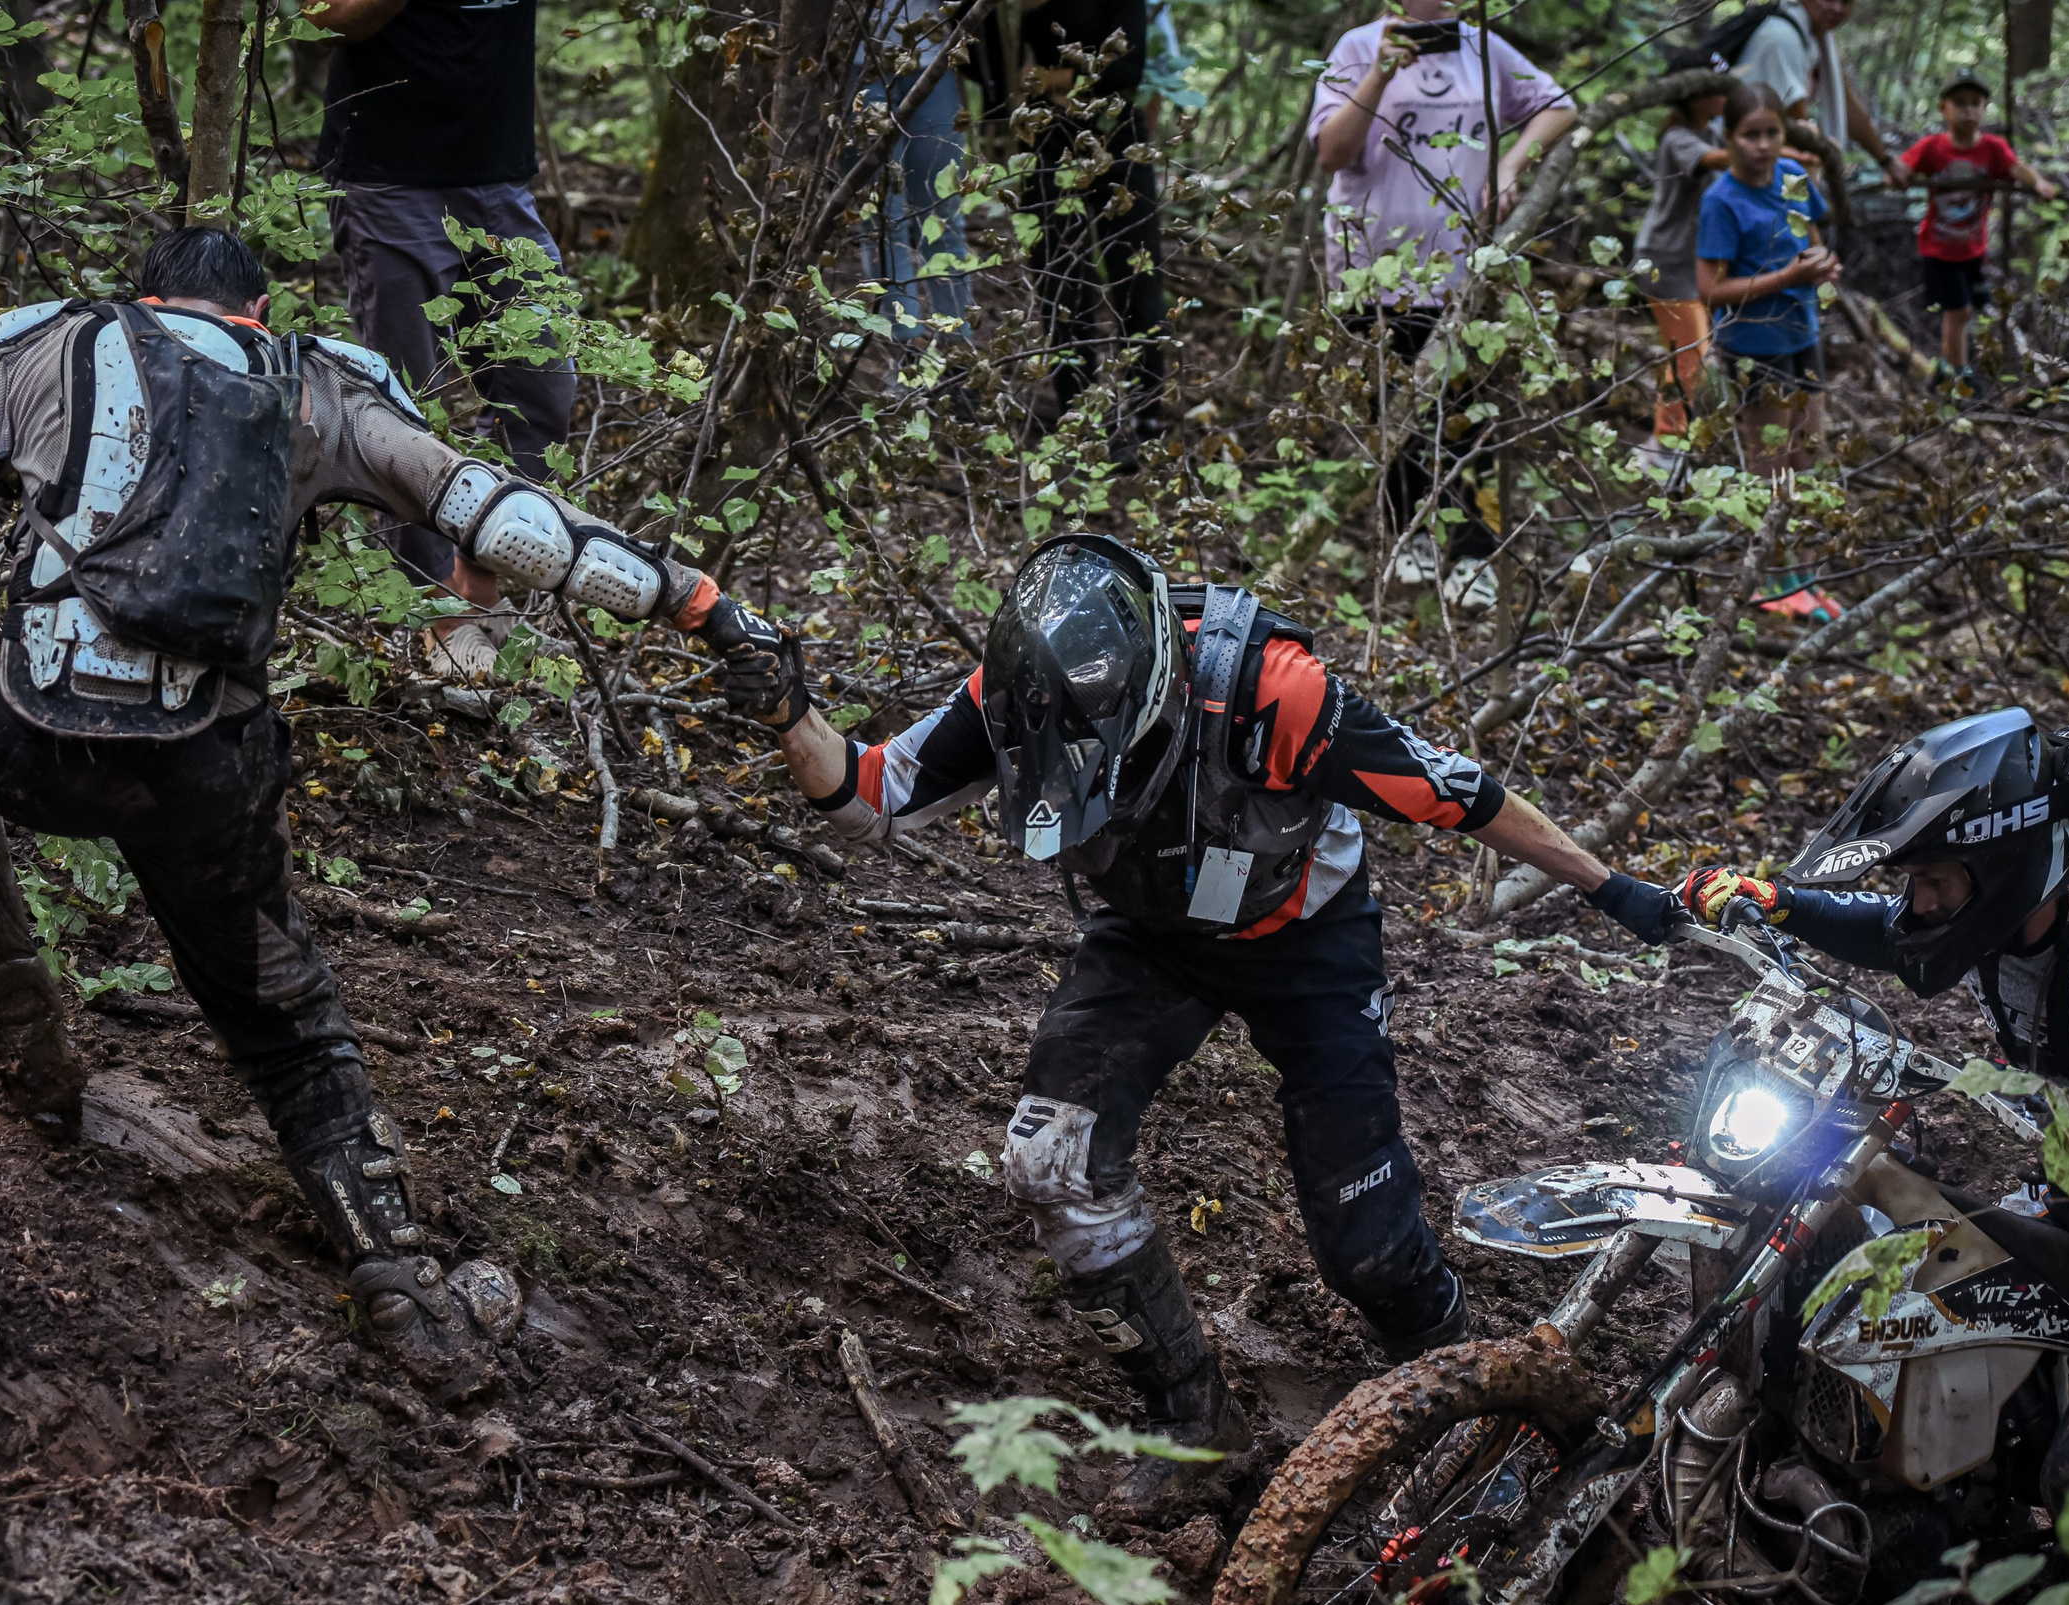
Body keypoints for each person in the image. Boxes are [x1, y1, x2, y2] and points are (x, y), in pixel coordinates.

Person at [0, 229, 756, 1371]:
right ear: (258, 309)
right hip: (203, 771)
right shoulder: (323, 383)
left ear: (148, 289)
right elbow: (500, 517)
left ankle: (24, 1041)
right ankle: (401, 1282)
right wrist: (695, 602)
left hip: (25, 735)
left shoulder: (48, 345)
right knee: (285, 1021)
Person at [715, 536, 1684, 1515]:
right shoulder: (1017, 691)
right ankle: (1190, 1420)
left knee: (1368, 1251)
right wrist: (792, 714)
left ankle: (1479, 1416)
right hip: (1151, 934)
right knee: (1050, 1158)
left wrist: (1621, 892)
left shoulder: (1280, 694)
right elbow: (871, 791)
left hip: (1306, 931)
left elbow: (1462, 794)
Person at [1672, 708, 2069, 1532]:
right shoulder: (2003, 920)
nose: (1919, 904)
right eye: (1915, 880)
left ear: (2005, 863)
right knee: (1917, 1291)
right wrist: (1784, 903)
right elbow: (1888, 935)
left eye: (1935, 882)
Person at [314, 0, 575, 680]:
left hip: (497, 177)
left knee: (543, 382)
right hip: (388, 175)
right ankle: (426, 609)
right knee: (399, 403)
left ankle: (478, 570)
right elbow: (328, 15)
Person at [1309, 0, 1573, 586]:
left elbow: (1560, 105)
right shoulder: (1356, 48)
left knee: (1468, 417)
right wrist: (1380, 70)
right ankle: (1408, 537)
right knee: (1394, 414)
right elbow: (1332, 152)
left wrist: (1508, 168)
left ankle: (1476, 554)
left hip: (1461, 273)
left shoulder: (1483, 50)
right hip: (1371, 271)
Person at [1002, 0, 1168, 461]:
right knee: (1059, 281)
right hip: (1046, 137)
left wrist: (1052, 79)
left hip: (1116, 134)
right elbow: (995, 71)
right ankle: (1079, 413)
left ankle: (1145, 415)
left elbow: (1126, 72)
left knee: (1136, 275)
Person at [1696, 81, 1839, 475]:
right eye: (1750, 134)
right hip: (1754, 343)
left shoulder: (1792, 175)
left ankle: (1809, 533)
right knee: (1770, 458)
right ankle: (1764, 534)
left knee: (1809, 447)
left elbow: (1812, 238)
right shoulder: (1721, 201)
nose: (1762, 145)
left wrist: (1824, 265)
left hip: (1802, 330)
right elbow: (1710, 291)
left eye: (1772, 133)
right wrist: (1786, 276)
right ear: (1728, 137)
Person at [1898, 71, 2058, 395]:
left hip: (1973, 249)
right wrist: (1895, 174)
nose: (1968, 110)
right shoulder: (1933, 148)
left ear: (1985, 108)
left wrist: (2038, 183)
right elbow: (1904, 167)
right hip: (1938, 248)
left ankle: (1945, 369)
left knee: (1967, 310)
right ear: (1945, 108)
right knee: (1957, 311)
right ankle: (1958, 376)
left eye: (1975, 103)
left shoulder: (1993, 150)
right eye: (1960, 103)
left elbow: (2016, 168)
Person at [862, 0, 975, 347]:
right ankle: (905, 352)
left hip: (933, 58)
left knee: (942, 213)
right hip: (858, 66)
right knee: (883, 220)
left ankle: (958, 350)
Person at [1633, 88, 1729, 452]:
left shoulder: (1712, 129)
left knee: (1691, 355)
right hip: (1665, 260)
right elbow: (1718, 159)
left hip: (1692, 262)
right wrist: (1780, 149)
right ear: (1693, 95)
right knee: (1691, 356)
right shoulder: (1678, 138)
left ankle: (1675, 436)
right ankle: (1666, 443)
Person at [1728, 0, 1903, 181]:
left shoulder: (1817, 39)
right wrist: (1822, 151)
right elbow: (1797, 123)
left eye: (1845, 2)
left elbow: (1844, 103)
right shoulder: (1783, 39)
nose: (1837, 9)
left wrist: (1886, 161)